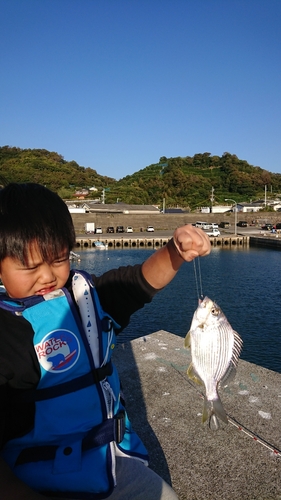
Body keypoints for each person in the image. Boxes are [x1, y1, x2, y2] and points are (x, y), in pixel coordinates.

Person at [0, 183, 211, 500]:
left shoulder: (88, 298)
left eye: (58, 260)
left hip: (112, 464)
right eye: (30, 267)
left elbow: (137, 282)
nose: (47, 276)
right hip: (31, 476)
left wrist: (174, 253)